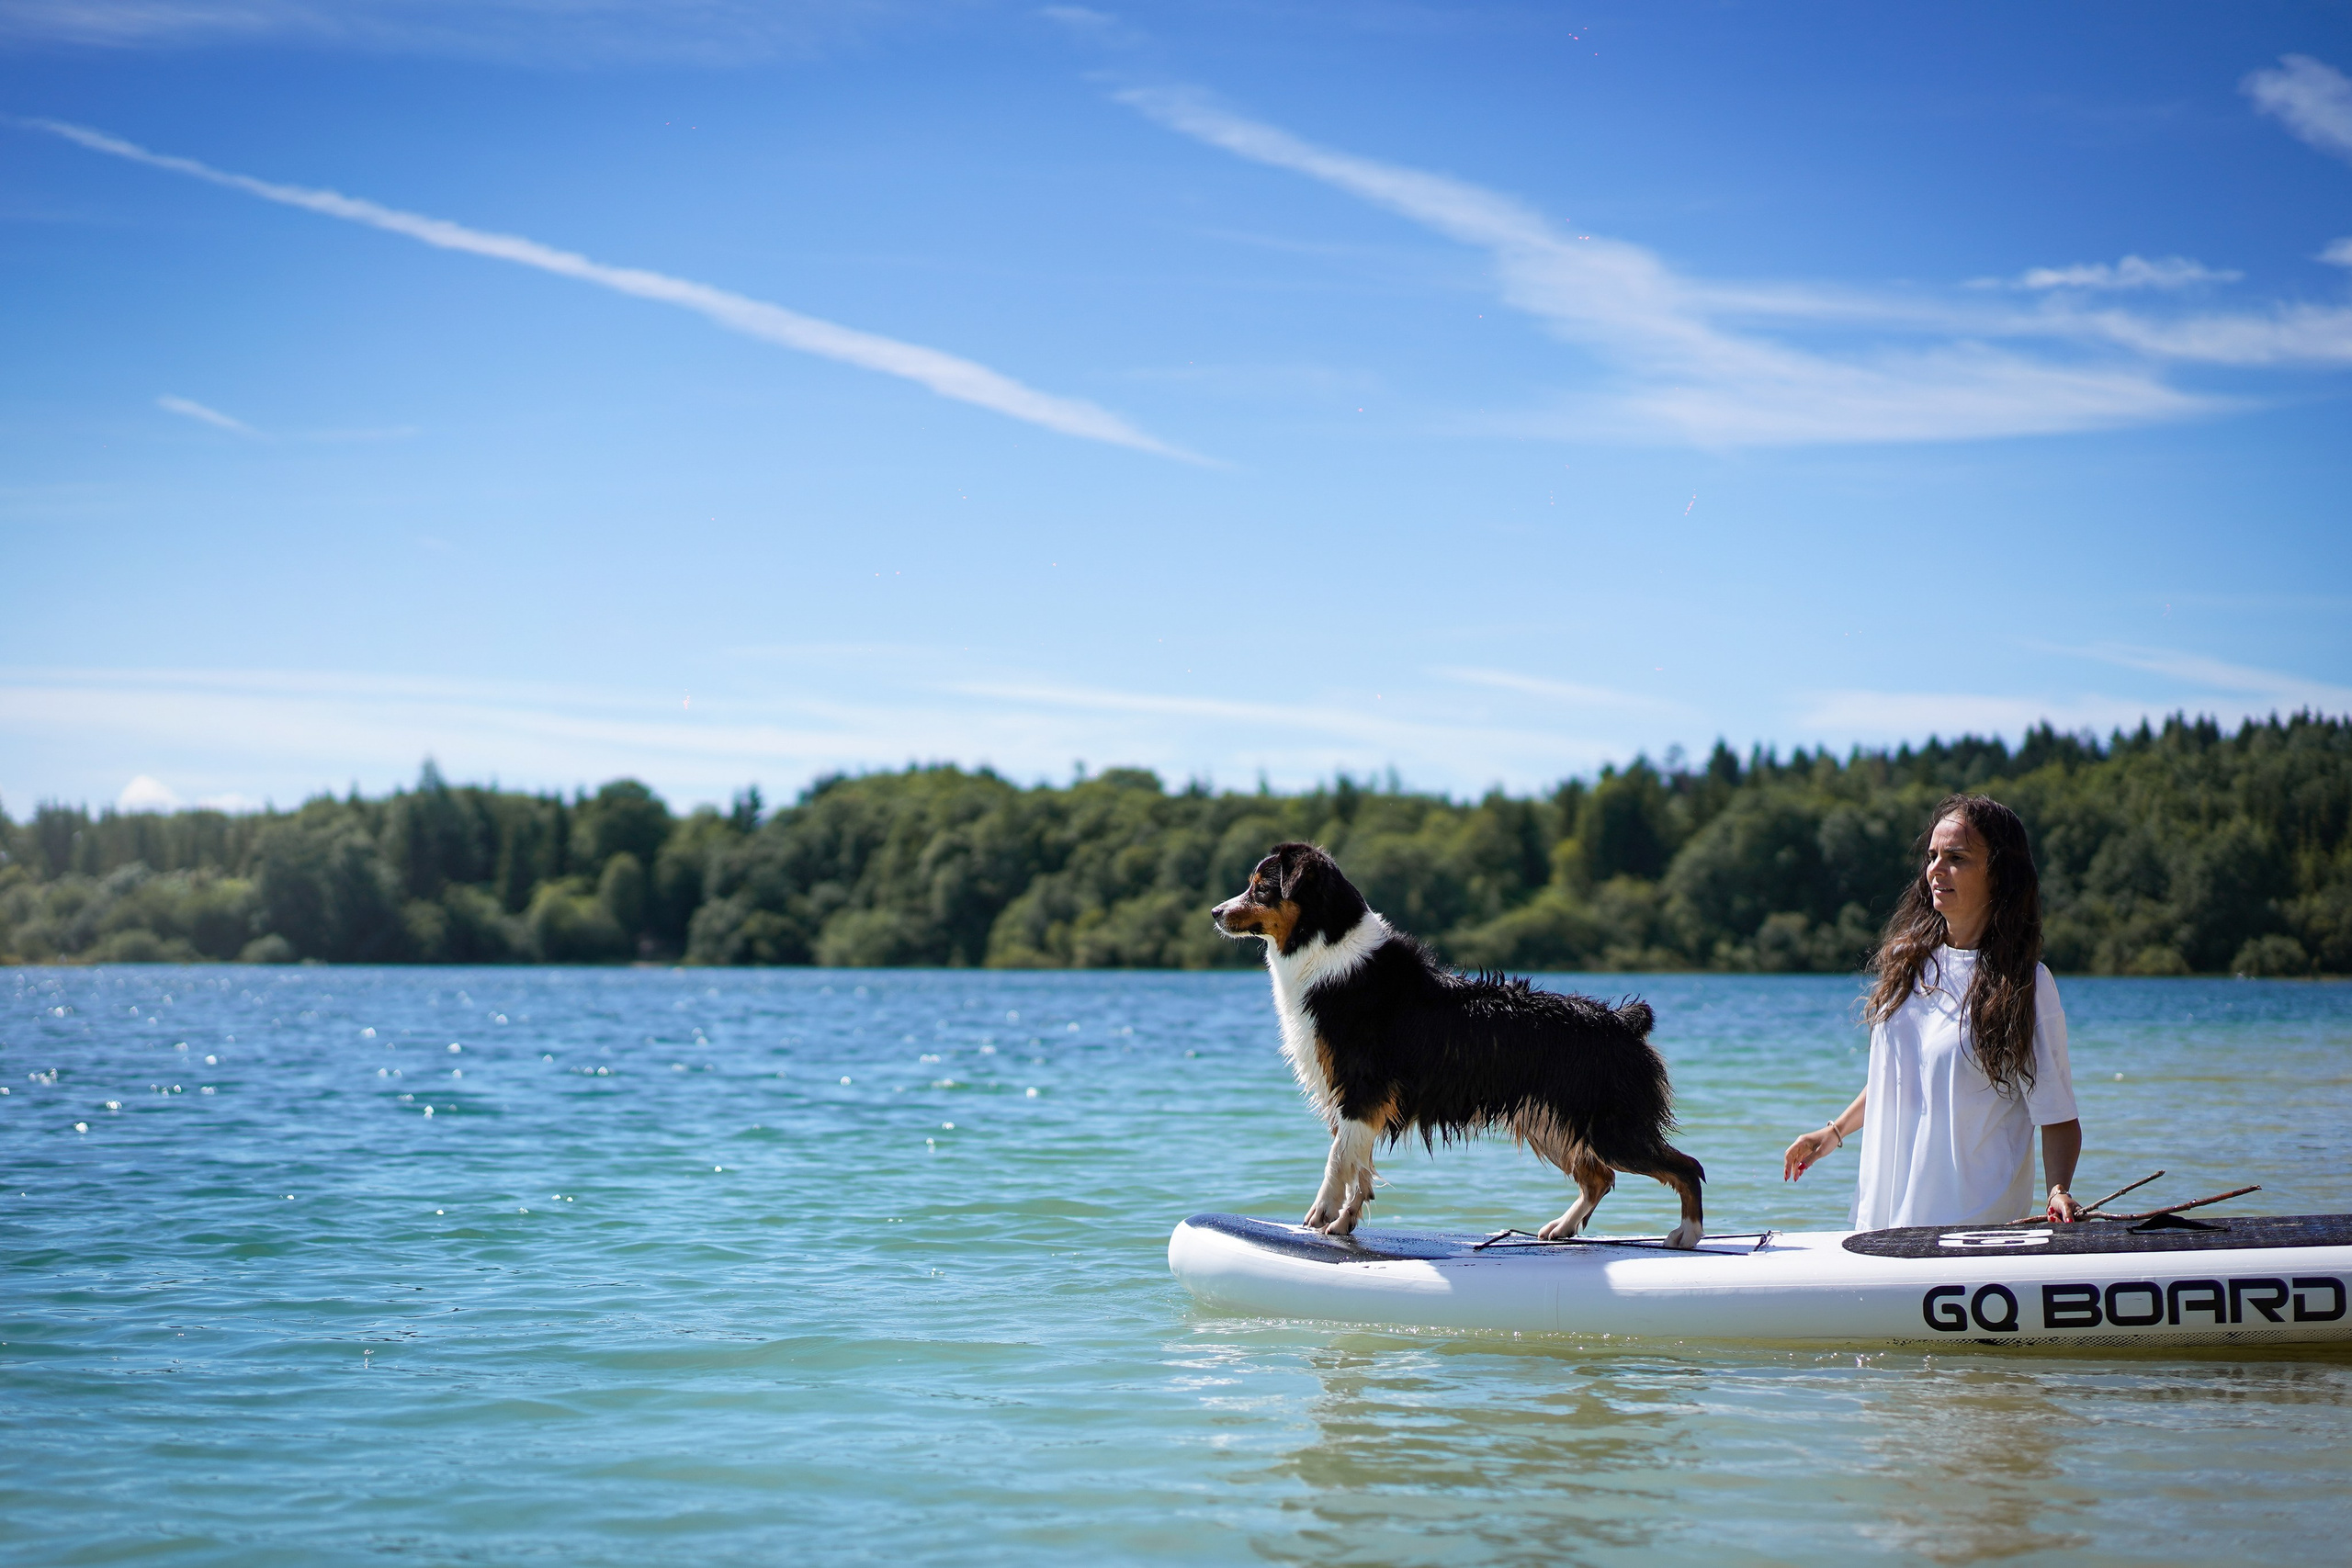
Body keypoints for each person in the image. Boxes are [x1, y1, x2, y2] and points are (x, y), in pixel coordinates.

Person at [1782, 794, 2085, 1228]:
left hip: (1973, 1230)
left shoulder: (2027, 985)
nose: (1936, 871)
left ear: (2000, 874)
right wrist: (1832, 1133)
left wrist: (2059, 1190)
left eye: (1956, 857)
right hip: (1885, 1221)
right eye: (1932, 856)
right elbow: (1903, 1076)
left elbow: (2056, 1111)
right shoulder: (1907, 963)